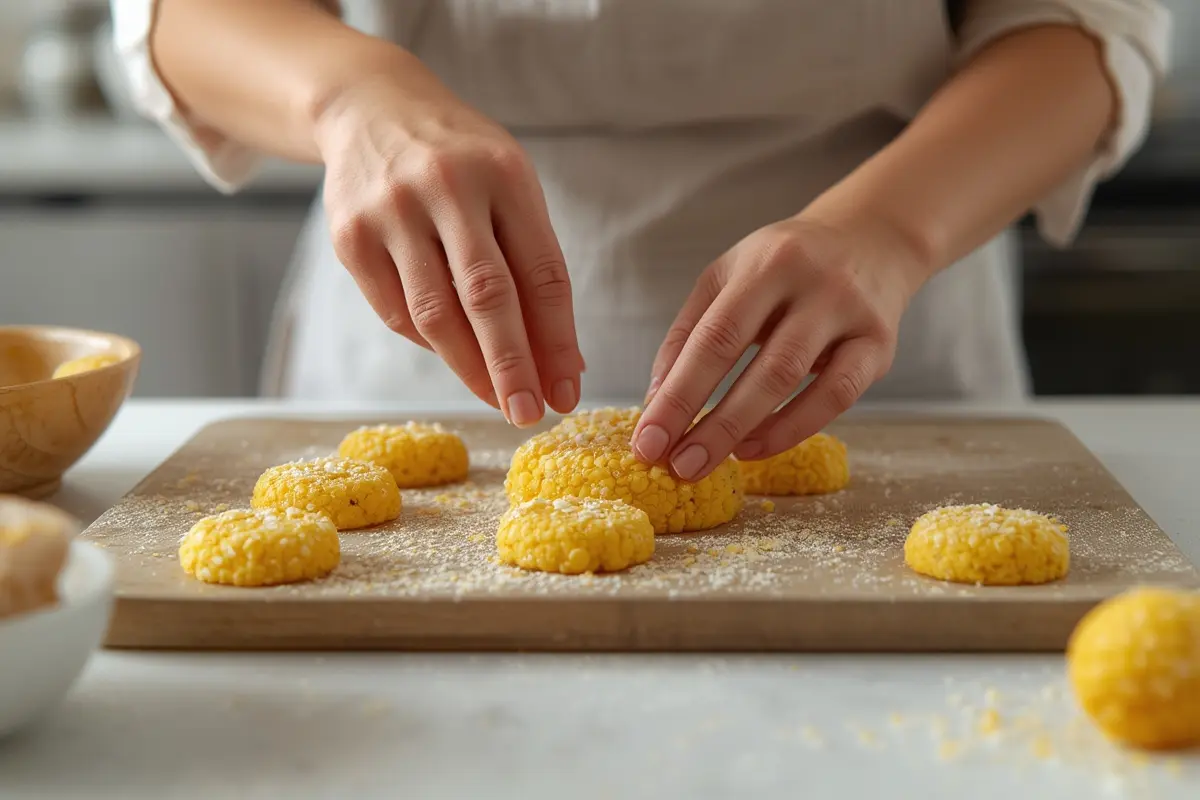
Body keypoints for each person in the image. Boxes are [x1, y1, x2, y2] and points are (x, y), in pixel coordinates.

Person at [113, 0, 1169, 483]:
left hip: (887, 342)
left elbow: (1086, 24)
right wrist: (350, 95)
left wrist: (891, 227)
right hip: (412, 347)